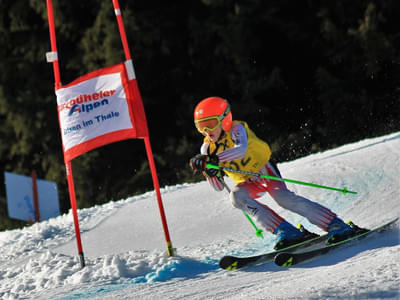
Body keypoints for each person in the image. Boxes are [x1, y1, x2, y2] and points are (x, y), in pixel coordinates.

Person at [189, 96, 364, 250]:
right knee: (236, 197)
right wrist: (209, 172)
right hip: (248, 181)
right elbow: (219, 187)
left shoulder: (236, 129)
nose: (206, 131)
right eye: (201, 127)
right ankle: (287, 231)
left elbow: (240, 150)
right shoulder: (206, 148)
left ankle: (336, 225)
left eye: (210, 124)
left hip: (264, 170)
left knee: (283, 198)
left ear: (224, 119)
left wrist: (214, 160)